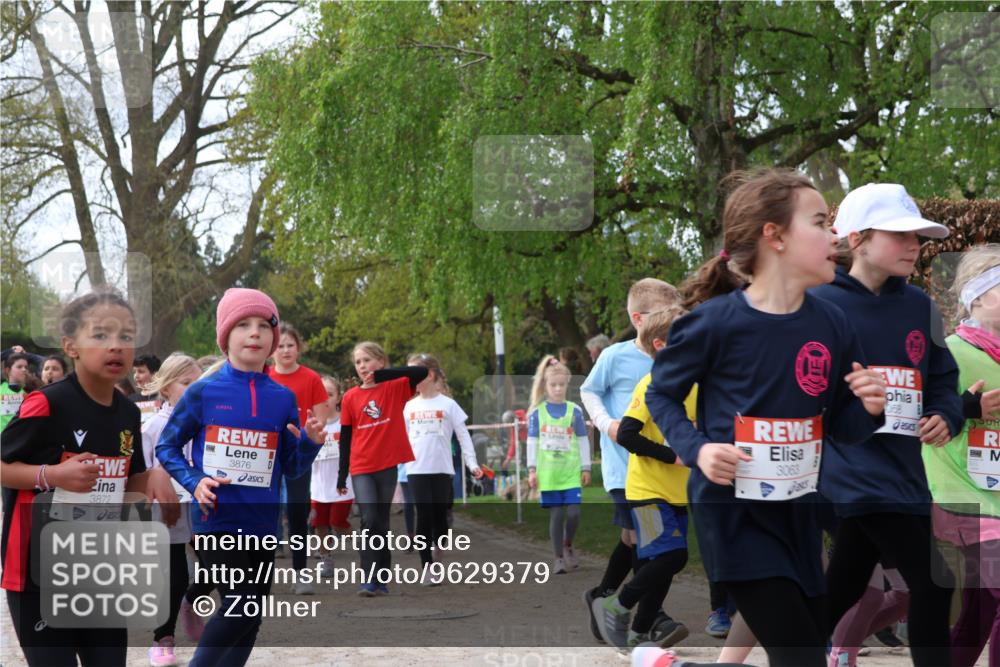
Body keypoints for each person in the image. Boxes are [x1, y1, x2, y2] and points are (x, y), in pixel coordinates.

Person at [645, 169, 887, 667]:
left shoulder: (833, 323)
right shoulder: (714, 324)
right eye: (819, 222)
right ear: (774, 236)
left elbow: (843, 428)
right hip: (734, 516)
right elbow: (661, 396)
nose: (835, 236)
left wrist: (869, 408)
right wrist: (698, 449)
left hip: (799, 518)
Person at [811, 183, 961, 667]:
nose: (914, 245)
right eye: (900, 235)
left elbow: (942, 380)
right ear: (857, 239)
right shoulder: (819, 304)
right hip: (849, 471)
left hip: (905, 473)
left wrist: (946, 414)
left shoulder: (920, 306)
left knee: (844, 586)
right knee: (936, 581)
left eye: (918, 236)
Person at [1, 289, 178, 667]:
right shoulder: (47, 403)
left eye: (126, 336)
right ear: (71, 346)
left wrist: (154, 477)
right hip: (37, 574)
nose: (116, 345)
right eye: (100, 334)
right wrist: (52, 475)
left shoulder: (129, 414)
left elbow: (126, 482)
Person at [156, 288, 324, 667]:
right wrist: (194, 480)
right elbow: (167, 447)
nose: (255, 333)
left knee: (251, 615)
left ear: (273, 339)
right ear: (225, 336)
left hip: (262, 523)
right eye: (243, 325)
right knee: (241, 606)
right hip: (216, 518)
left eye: (264, 325)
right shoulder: (203, 392)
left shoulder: (282, 399)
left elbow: (291, 467)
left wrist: (310, 444)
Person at [582, 278, 682, 643]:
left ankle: (604, 595)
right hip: (625, 469)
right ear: (639, 319)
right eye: (664, 314)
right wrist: (607, 423)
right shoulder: (615, 356)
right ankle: (652, 618)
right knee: (649, 540)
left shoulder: (677, 359)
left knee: (634, 537)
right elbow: (589, 391)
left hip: (664, 471)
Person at [922, 243, 1000, 667]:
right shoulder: (951, 351)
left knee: (981, 610)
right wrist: (966, 408)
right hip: (959, 492)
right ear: (977, 297)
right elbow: (919, 417)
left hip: (995, 496)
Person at [336, 341, 428, 596]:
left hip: (386, 464)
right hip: (361, 466)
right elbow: (345, 438)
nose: (362, 366)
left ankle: (381, 577)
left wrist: (383, 375)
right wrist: (342, 474)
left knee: (382, 522)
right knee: (370, 519)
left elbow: (421, 372)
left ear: (381, 361)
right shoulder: (351, 397)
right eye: (358, 362)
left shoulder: (394, 387)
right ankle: (368, 578)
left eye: (367, 360)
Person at [140, 352, 205, 667]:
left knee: (220, 567)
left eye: (199, 383)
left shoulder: (207, 422)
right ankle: (163, 639)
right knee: (175, 576)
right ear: (165, 388)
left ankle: (191, 602)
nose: (194, 389)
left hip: (204, 505)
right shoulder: (153, 426)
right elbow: (142, 471)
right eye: (186, 383)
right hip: (169, 509)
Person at [405, 353, 482, 583]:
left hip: (442, 469)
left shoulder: (448, 405)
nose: (409, 378)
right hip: (416, 469)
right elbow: (400, 438)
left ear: (429, 375)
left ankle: (439, 548)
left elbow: (464, 437)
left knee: (440, 516)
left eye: (413, 373)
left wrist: (472, 464)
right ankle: (427, 565)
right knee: (423, 515)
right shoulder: (408, 407)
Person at [267, 323, 330, 595]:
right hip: (267, 453)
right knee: (265, 511)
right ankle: (260, 574)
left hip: (298, 453)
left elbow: (320, 420)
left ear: (298, 348)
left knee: (296, 511)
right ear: (272, 350)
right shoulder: (264, 376)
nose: (285, 350)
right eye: (280, 345)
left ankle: (301, 573)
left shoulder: (311, 378)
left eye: (290, 345)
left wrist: (305, 435)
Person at [528, 356, 591, 574]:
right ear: (545, 386)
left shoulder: (575, 411)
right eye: (553, 385)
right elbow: (532, 443)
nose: (557, 389)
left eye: (561, 385)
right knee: (556, 515)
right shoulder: (538, 413)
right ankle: (558, 558)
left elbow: (583, 440)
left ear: (567, 385)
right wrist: (532, 470)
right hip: (549, 475)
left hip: (571, 473)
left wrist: (586, 467)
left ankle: (568, 544)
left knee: (574, 513)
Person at [310, 376, 352, 577]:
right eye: (321, 394)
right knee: (320, 524)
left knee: (337, 522)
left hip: (342, 484)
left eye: (330, 394)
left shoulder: (345, 422)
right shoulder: (312, 423)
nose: (325, 399)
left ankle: (362, 544)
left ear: (338, 398)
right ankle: (326, 559)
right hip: (318, 483)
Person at [1, 352, 31, 432]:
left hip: (22, 437)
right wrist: (10, 350)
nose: (24, 369)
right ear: (8, 370)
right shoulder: (1, 390)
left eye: (26, 367)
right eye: (19, 367)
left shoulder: (31, 392)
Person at [130, 353, 162, 425]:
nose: (136, 376)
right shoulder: (131, 400)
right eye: (134, 372)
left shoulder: (164, 397)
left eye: (141, 371)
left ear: (155, 374)